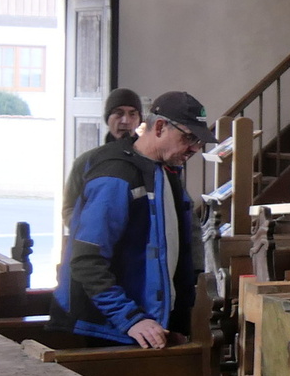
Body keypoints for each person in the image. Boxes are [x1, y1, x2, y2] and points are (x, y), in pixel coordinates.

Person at [53, 91, 215, 349]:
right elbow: (87, 260)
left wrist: (179, 318)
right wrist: (130, 319)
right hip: (113, 329)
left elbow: (176, 251)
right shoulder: (116, 174)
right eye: (189, 137)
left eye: (199, 141)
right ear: (160, 126)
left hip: (152, 326)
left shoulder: (165, 171)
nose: (195, 148)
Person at [61, 88, 145, 230]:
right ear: (108, 118)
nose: (126, 121)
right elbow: (69, 209)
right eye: (118, 113)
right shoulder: (86, 162)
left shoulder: (149, 162)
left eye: (132, 114)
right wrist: (89, 229)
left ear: (139, 120)